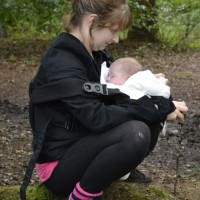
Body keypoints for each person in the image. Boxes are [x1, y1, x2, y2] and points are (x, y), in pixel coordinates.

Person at [20, 1, 188, 200]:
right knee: (136, 133)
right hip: (59, 166)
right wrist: (156, 108)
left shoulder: (95, 55)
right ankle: (82, 196)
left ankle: (114, 172)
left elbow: (120, 93)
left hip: (86, 145)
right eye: (114, 30)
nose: (116, 39)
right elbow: (97, 117)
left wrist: (154, 91)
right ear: (92, 22)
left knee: (148, 119)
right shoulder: (62, 63)